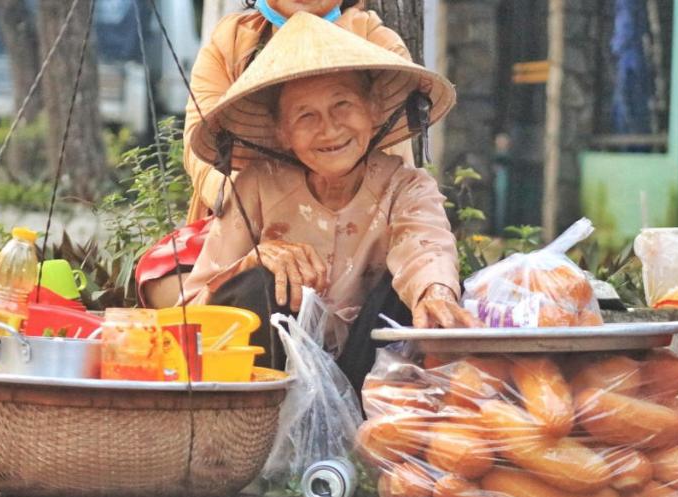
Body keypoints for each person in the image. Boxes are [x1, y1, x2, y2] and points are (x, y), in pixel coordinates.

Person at [172, 13, 480, 393]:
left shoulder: (405, 186)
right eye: (306, 116)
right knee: (256, 283)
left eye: (343, 105)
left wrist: (434, 290)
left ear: (373, 111)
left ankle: (370, 435)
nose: (330, 129)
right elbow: (193, 310)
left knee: (420, 294)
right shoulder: (255, 186)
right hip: (271, 391)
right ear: (282, 133)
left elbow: (425, 246)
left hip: (367, 381)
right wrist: (255, 260)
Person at [182, 0, 414, 224]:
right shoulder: (229, 45)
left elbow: (388, 171)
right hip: (242, 230)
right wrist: (261, 218)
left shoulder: (377, 44)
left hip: (357, 233)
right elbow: (203, 158)